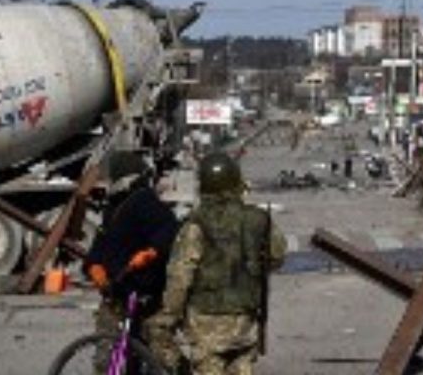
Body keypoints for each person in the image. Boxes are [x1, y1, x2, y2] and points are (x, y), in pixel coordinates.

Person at [158, 151, 286, 375]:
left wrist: (169, 315)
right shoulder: (258, 219)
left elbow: (180, 276)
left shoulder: (195, 225)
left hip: (205, 323)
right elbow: (277, 257)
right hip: (245, 321)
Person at [83, 149, 181, 371]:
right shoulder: (113, 207)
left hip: (144, 294)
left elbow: (170, 231)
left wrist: (151, 252)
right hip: (115, 292)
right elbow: (100, 245)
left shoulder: (145, 201)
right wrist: (94, 266)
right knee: (108, 357)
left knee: (153, 355)